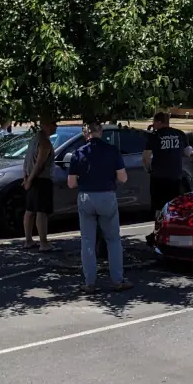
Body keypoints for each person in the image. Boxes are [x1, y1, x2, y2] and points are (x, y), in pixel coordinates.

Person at [67, 123, 132, 293]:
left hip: (86, 197)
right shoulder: (112, 151)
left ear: (85, 134)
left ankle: (90, 283)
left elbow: (71, 183)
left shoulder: (78, 153)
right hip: (107, 196)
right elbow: (123, 178)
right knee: (113, 240)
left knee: (87, 241)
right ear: (100, 132)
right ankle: (117, 280)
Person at [143, 112, 193, 214]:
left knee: (159, 207)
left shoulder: (155, 136)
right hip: (175, 177)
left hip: (158, 178)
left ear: (159, 122)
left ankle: (159, 225)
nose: (153, 124)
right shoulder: (180, 134)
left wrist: (148, 168)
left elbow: (146, 157)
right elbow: (187, 152)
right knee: (173, 205)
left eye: (154, 122)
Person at [21, 119, 57, 251]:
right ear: (45, 125)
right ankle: (43, 243)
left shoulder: (34, 139)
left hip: (32, 178)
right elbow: (39, 164)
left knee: (30, 210)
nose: (56, 126)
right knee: (41, 212)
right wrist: (30, 179)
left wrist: (26, 177)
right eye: (53, 123)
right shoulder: (44, 142)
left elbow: (26, 161)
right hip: (41, 179)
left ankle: (28, 240)